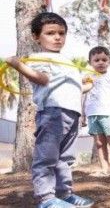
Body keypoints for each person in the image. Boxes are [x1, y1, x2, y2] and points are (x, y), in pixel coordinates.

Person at [5, 12, 95, 208]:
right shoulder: (39, 57)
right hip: (53, 112)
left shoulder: (67, 61)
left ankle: (64, 194)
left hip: (72, 113)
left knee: (65, 159)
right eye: (50, 33)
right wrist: (17, 64)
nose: (57, 37)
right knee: (47, 157)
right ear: (37, 37)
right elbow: (42, 79)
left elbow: (77, 87)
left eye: (61, 33)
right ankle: (45, 198)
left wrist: (88, 84)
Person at [82, 46, 110, 178]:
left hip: (108, 113)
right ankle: (104, 169)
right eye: (96, 60)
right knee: (99, 143)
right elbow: (85, 96)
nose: (100, 62)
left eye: (104, 59)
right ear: (90, 63)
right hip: (92, 114)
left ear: (109, 62)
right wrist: (83, 115)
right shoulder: (88, 77)